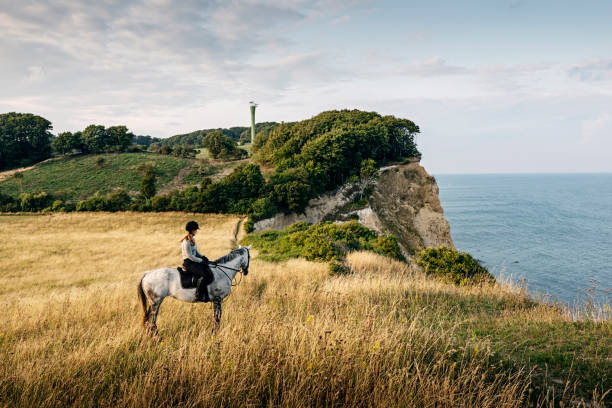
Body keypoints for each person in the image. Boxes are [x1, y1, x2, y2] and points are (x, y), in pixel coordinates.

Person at [181, 220, 213, 301]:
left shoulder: (193, 239)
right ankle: (198, 295)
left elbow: (196, 252)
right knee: (204, 275)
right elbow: (190, 256)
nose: (196, 231)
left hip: (194, 261)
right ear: (192, 230)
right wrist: (201, 261)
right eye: (195, 230)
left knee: (207, 269)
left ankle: (206, 293)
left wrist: (203, 257)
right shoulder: (186, 242)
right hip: (189, 263)